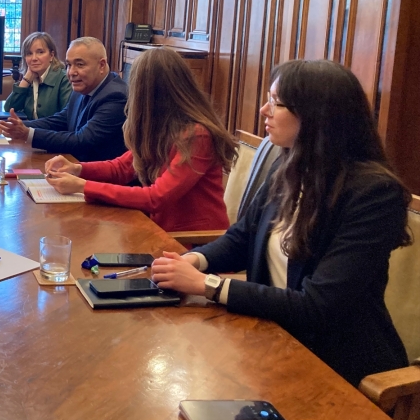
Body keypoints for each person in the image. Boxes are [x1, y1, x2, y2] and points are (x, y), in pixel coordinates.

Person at [151, 60, 411, 387]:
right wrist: (195, 260)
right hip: (270, 339)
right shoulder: (289, 168)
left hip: (339, 369)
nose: (263, 110)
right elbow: (241, 239)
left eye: (275, 102)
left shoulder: (373, 194)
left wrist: (208, 285)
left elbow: (318, 306)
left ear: (316, 115)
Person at [43, 48, 236, 232]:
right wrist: (77, 169)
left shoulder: (196, 135)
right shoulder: (161, 126)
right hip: (159, 230)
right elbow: (122, 167)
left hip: (192, 243)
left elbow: (156, 197)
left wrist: (83, 186)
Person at [0, 37, 128, 162]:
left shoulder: (115, 96)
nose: (71, 72)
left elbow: (82, 141)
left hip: (99, 182)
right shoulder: (84, 84)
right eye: (68, 65)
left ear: (101, 65)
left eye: (80, 64)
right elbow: (61, 119)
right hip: (73, 168)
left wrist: (27, 134)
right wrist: (7, 128)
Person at [2, 32, 71, 120]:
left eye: (40, 52)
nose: (34, 58)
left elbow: (66, 119)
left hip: (51, 133)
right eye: (29, 53)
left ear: (51, 55)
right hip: (30, 132)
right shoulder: (31, 79)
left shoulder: (64, 79)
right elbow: (9, 109)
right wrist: (26, 80)